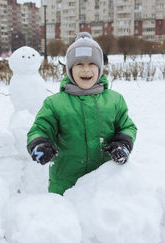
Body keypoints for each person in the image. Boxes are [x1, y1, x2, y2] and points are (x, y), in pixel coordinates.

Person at [27, 32, 137, 195]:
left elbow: (127, 127)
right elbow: (40, 129)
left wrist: (123, 143)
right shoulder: (55, 104)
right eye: (79, 64)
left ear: (99, 68)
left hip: (104, 184)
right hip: (65, 183)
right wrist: (39, 143)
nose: (86, 70)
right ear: (70, 69)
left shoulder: (114, 101)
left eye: (92, 64)